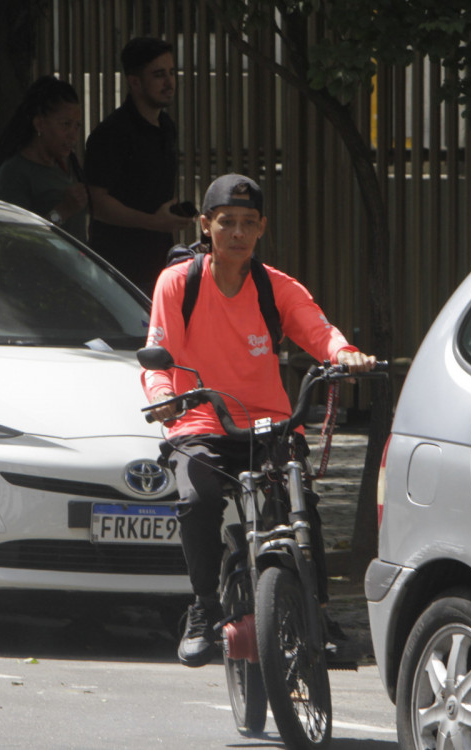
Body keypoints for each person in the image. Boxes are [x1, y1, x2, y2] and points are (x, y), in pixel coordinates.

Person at [141, 174, 377, 667]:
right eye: (227, 222)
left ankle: (318, 613)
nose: (238, 233)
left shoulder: (277, 287)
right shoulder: (178, 283)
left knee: (299, 506)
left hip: (269, 423)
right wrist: (164, 395)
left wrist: (346, 353)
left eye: (249, 223)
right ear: (206, 226)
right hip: (200, 421)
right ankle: (205, 610)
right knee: (198, 500)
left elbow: (319, 331)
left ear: (263, 228)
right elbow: (157, 359)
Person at [84, 36, 196, 294]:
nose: (169, 82)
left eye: (171, 72)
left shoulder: (166, 126)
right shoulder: (111, 133)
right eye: (159, 75)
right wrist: (153, 222)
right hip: (117, 268)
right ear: (134, 82)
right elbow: (98, 204)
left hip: (159, 262)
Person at [0, 76, 89, 242]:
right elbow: (10, 240)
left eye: (77, 126)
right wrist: (63, 211)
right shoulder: (13, 175)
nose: (73, 136)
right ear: (40, 124)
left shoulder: (62, 168)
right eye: (65, 124)